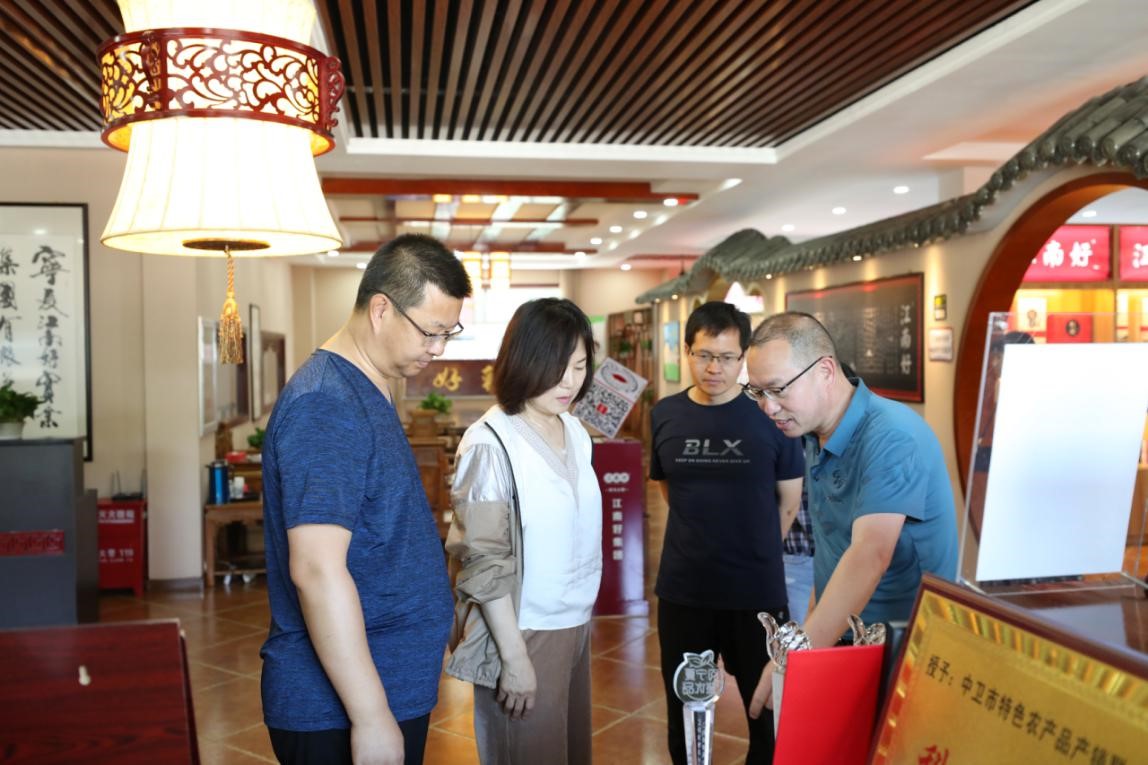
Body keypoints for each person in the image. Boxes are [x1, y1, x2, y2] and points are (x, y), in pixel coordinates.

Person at [259, 233, 471, 765]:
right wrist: (372, 716)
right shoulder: (325, 404)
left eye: (449, 333)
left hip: (388, 680)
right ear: (381, 310)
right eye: (431, 332)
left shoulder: (365, 386)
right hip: (340, 707)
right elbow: (317, 569)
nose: (439, 349)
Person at [743, 311, 959, 719]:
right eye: (757, 392)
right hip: (849, 641)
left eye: (778, 389)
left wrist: (799, 654)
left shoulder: (891, 435)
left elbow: (869, 553)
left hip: (902, 647)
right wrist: (812, 632)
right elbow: (832, 547)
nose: (768, 407)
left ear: (825, 370)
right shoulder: (815, 432)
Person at [445, 298, 602, 765]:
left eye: (579, 367)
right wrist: (514, 660)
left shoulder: (575, 432)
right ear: (524, 362)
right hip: (523, 629)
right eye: (557, 368)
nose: (569, 382)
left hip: (574, 624)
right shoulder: (490, 443)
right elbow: (483, 559)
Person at [649, 301, 804, 765]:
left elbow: (789, 501)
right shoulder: (665, 414)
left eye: (726, 357)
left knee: (766, 708)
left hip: (756, 593)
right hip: (684, 590)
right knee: (684, 707)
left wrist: (753, 547)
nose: (714, 368)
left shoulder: (770, 413)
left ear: (744, 358)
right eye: (704, 355)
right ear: (688, 352)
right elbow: (669, 490)